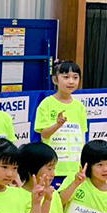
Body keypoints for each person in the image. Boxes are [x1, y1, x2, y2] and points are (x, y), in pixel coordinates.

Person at [35, 60, 87, 188]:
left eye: (75, 77)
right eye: (66, 77)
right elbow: (44, 135)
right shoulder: (46, 104)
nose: (71, 81)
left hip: (74, 169)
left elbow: (82, 137)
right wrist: (57, 125)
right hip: (53, 169)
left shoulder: (80, 107)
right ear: (55, 80)